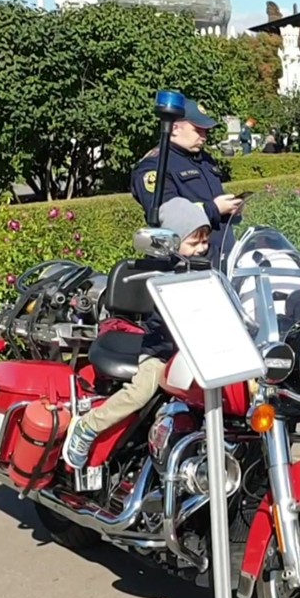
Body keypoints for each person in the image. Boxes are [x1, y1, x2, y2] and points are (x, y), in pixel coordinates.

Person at [61, 197, 212, 469]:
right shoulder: (159, 276)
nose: (202, 248)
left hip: (195, 352)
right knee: (141, 391)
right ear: (173, 243)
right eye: (194, 242)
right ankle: (88, 427)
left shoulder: (206, 269)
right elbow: (166, 321)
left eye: (205, 240)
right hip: (161, 353)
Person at [130, 97, 243, 269]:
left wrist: (232, 208)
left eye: (206, 131)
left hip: (222, 257)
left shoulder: (204, 160)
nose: (204, 137)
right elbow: (164, 213)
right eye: (198, 130)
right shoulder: (156, 164)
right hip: (188, 264)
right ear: (174, 128)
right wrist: (213, 209)